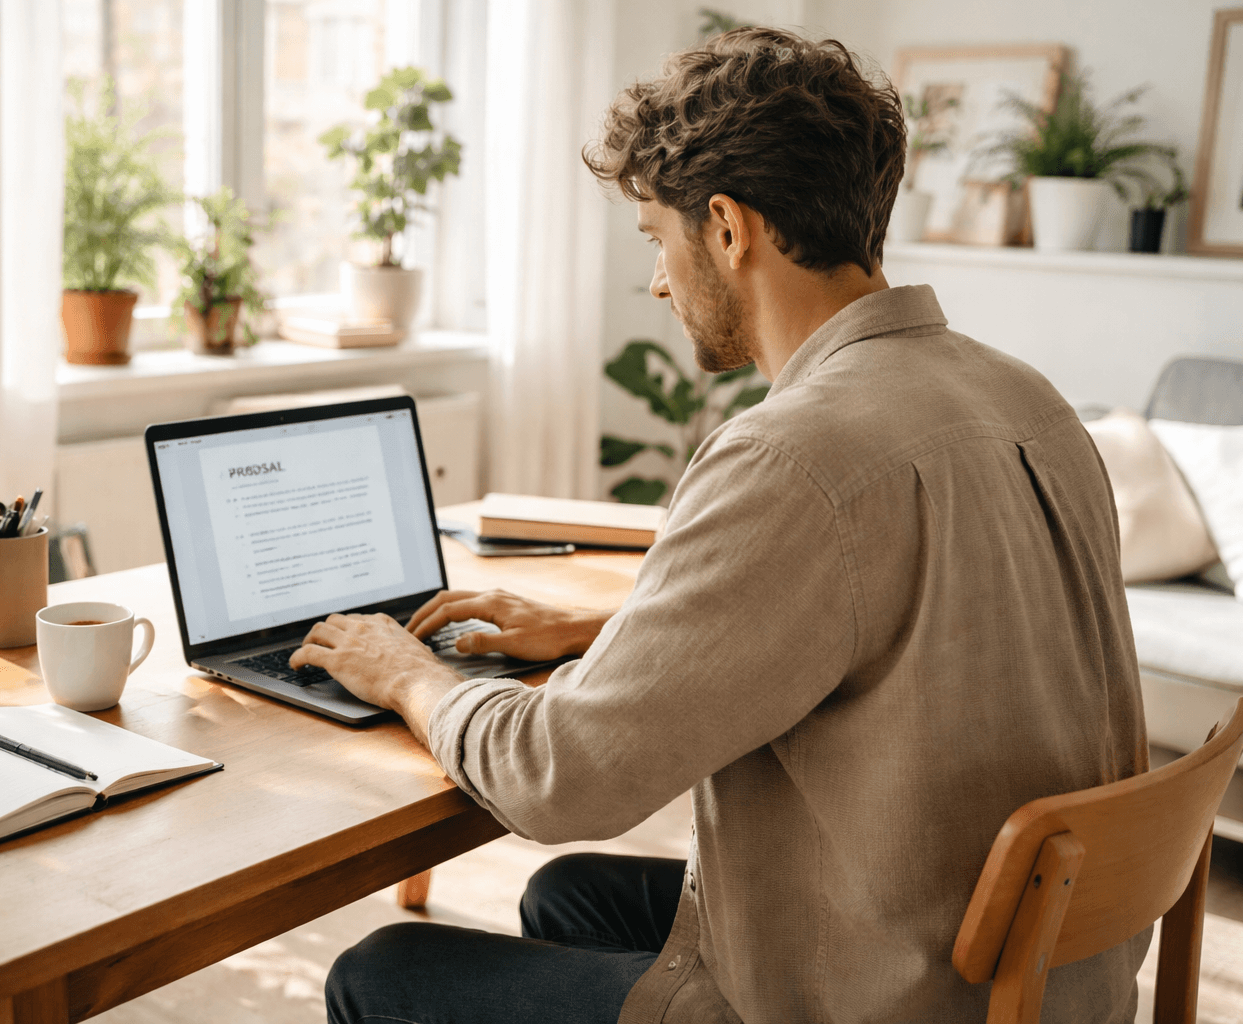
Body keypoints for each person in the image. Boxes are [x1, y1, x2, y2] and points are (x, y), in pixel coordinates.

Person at [292, 26, 1148, 1024]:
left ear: (731, 230)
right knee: (567, 895)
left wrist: (408, 674)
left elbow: (563, 781)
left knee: (382, 966)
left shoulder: (793, 455)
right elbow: (902, 636)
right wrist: (605, 636)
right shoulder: (1030, 400)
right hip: (1031, 963)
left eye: (658, 236)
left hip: (885, 993)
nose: (658, 281)